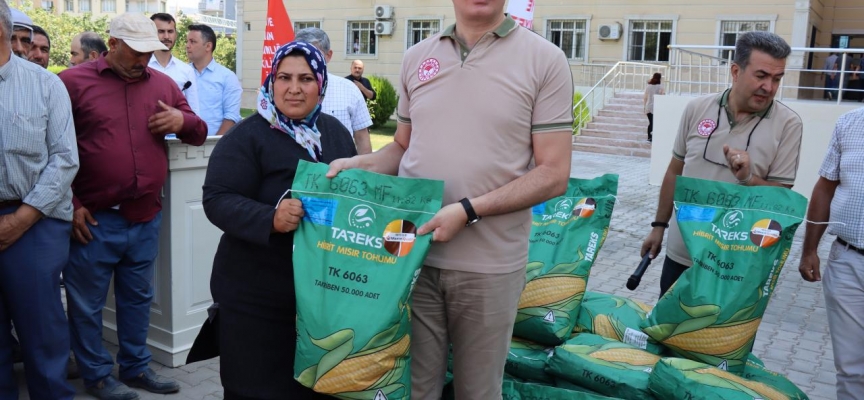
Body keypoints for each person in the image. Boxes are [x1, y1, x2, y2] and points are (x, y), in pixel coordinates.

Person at [327, 1, 574, 397]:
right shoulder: (417, 57)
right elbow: (402, 147)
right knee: (415, 388)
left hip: (489, 265)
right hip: (411, 256)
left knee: (477, 390)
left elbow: (553, 174)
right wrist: (362, 165)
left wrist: (468, 211)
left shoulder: (544, 59)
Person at [58, 12, 207, 400]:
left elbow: (199, 131)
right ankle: (97, 376)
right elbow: (51, 151)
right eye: (136, 51)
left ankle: (136, 368)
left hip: (144, 216)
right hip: (92, 219)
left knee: (137, 298)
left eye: (150, 51)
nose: (144, 59)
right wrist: (70, 203)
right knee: (87, 305)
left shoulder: (163, 83)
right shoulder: (71, 83)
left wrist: (181, 119)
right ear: (112, 45)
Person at [201, 41, 357, 399]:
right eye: (284, 77)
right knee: (254, 386)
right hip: (255, 293)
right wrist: (270, 218)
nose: (294, 87)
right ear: (272, 82)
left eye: (305, 78)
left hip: (317, 293)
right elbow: (217, 199)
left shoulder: (334, 133)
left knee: (308, 386)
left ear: (321, 84)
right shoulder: (248, 136)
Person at [641, 31, 803, 296]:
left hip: (737, 262)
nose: (769, 87)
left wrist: (748, 178)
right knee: (665, 332)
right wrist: (658, 227)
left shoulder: (788, 125)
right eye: (761, 76)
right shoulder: (697, 109)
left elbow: (781, 198)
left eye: (777, 78)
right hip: (682, 253)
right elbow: (675, 171)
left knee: (720, 338)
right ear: (736, 71)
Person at [0, 0, 79, 398]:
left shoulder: (46, 84)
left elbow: (66, 160)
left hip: (36, 219)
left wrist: (21, 218)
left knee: (42, 330)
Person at [799, 107, 864, 400]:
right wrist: (809, 249)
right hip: (848, 262)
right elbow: (825, 187)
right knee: (852, 370)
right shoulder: (849, 123)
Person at [295, 27, 373, 154]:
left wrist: (362, 172)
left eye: (314, 54)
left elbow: (362, 138)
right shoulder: (286, 91)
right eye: (300, 54)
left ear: (328, 55)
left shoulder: (349, 89)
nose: (307, 61)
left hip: (341, 170)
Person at [186, 23, 241, 135]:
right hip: (181, 145)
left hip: (213, 145)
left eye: (193, 41)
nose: (187, 45)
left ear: (208, 46)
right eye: (187, 41)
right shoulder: (181, 74)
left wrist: (214, 146)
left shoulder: (227, 77)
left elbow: (231, 117)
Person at [148, 13, 199, 114]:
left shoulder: (186, 71)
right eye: (161, 31)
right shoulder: (141, 67)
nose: (166, 36)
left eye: (170, 31)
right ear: (150, 33)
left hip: (177, 129)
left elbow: (194, 112)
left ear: (175, 34)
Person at [643, 72, 664, 142]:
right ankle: (651, 137)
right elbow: (662, 96)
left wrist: (644, 107)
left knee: (651, 123)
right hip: (656, 107)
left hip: (648, 106)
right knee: (653, 123)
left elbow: (645, 97)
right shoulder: (660, 87)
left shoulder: (648, 86)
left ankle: (649, 137)